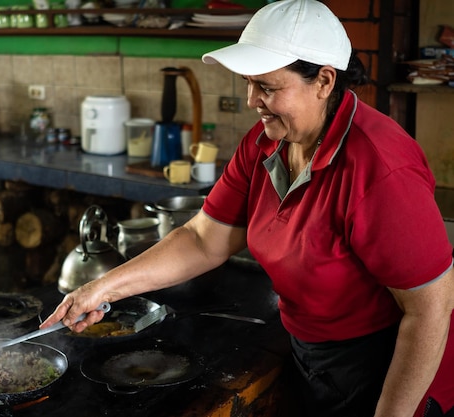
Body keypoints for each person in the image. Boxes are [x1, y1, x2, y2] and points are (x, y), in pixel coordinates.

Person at [41, 1, 454, 416]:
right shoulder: (266, 143)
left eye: (268, 87)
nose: (252, 100)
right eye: (249, 83)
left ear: (325, 81)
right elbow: (203, 239)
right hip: (311, 353)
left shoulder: (380, 167)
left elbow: (430, 310)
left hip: (387, 366)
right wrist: (99, 288)